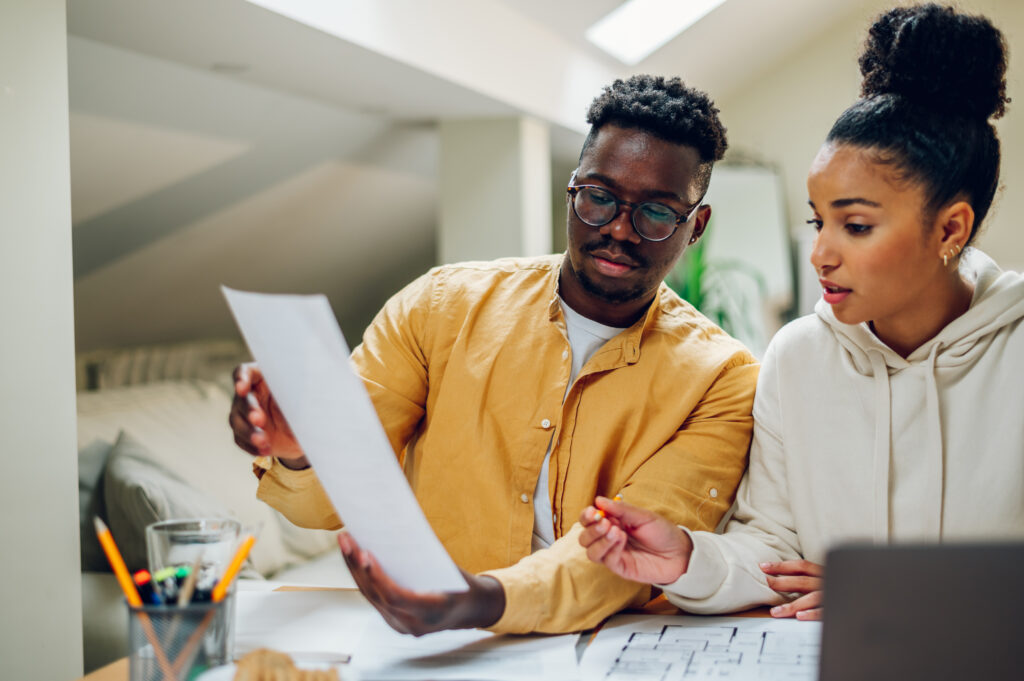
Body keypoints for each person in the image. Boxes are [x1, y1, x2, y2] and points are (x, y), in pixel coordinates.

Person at [229, 75, 760, 635]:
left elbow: (632, 557)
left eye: (656, 213)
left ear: (694, 225)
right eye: (600, 198)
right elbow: (326, 507)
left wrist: (481, 600)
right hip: (430, 646)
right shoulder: (439, 307)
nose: (620, 231)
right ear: (573, 191)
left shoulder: (723, 378)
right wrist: (297, 451)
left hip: (606, 650)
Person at [580, 3, 1024, 622]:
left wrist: (903, 595)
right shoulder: (799, 357)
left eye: (857, 225)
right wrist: (684, 559)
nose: (821, 253)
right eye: (820, 221)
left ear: (950, 228)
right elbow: (772, 544)